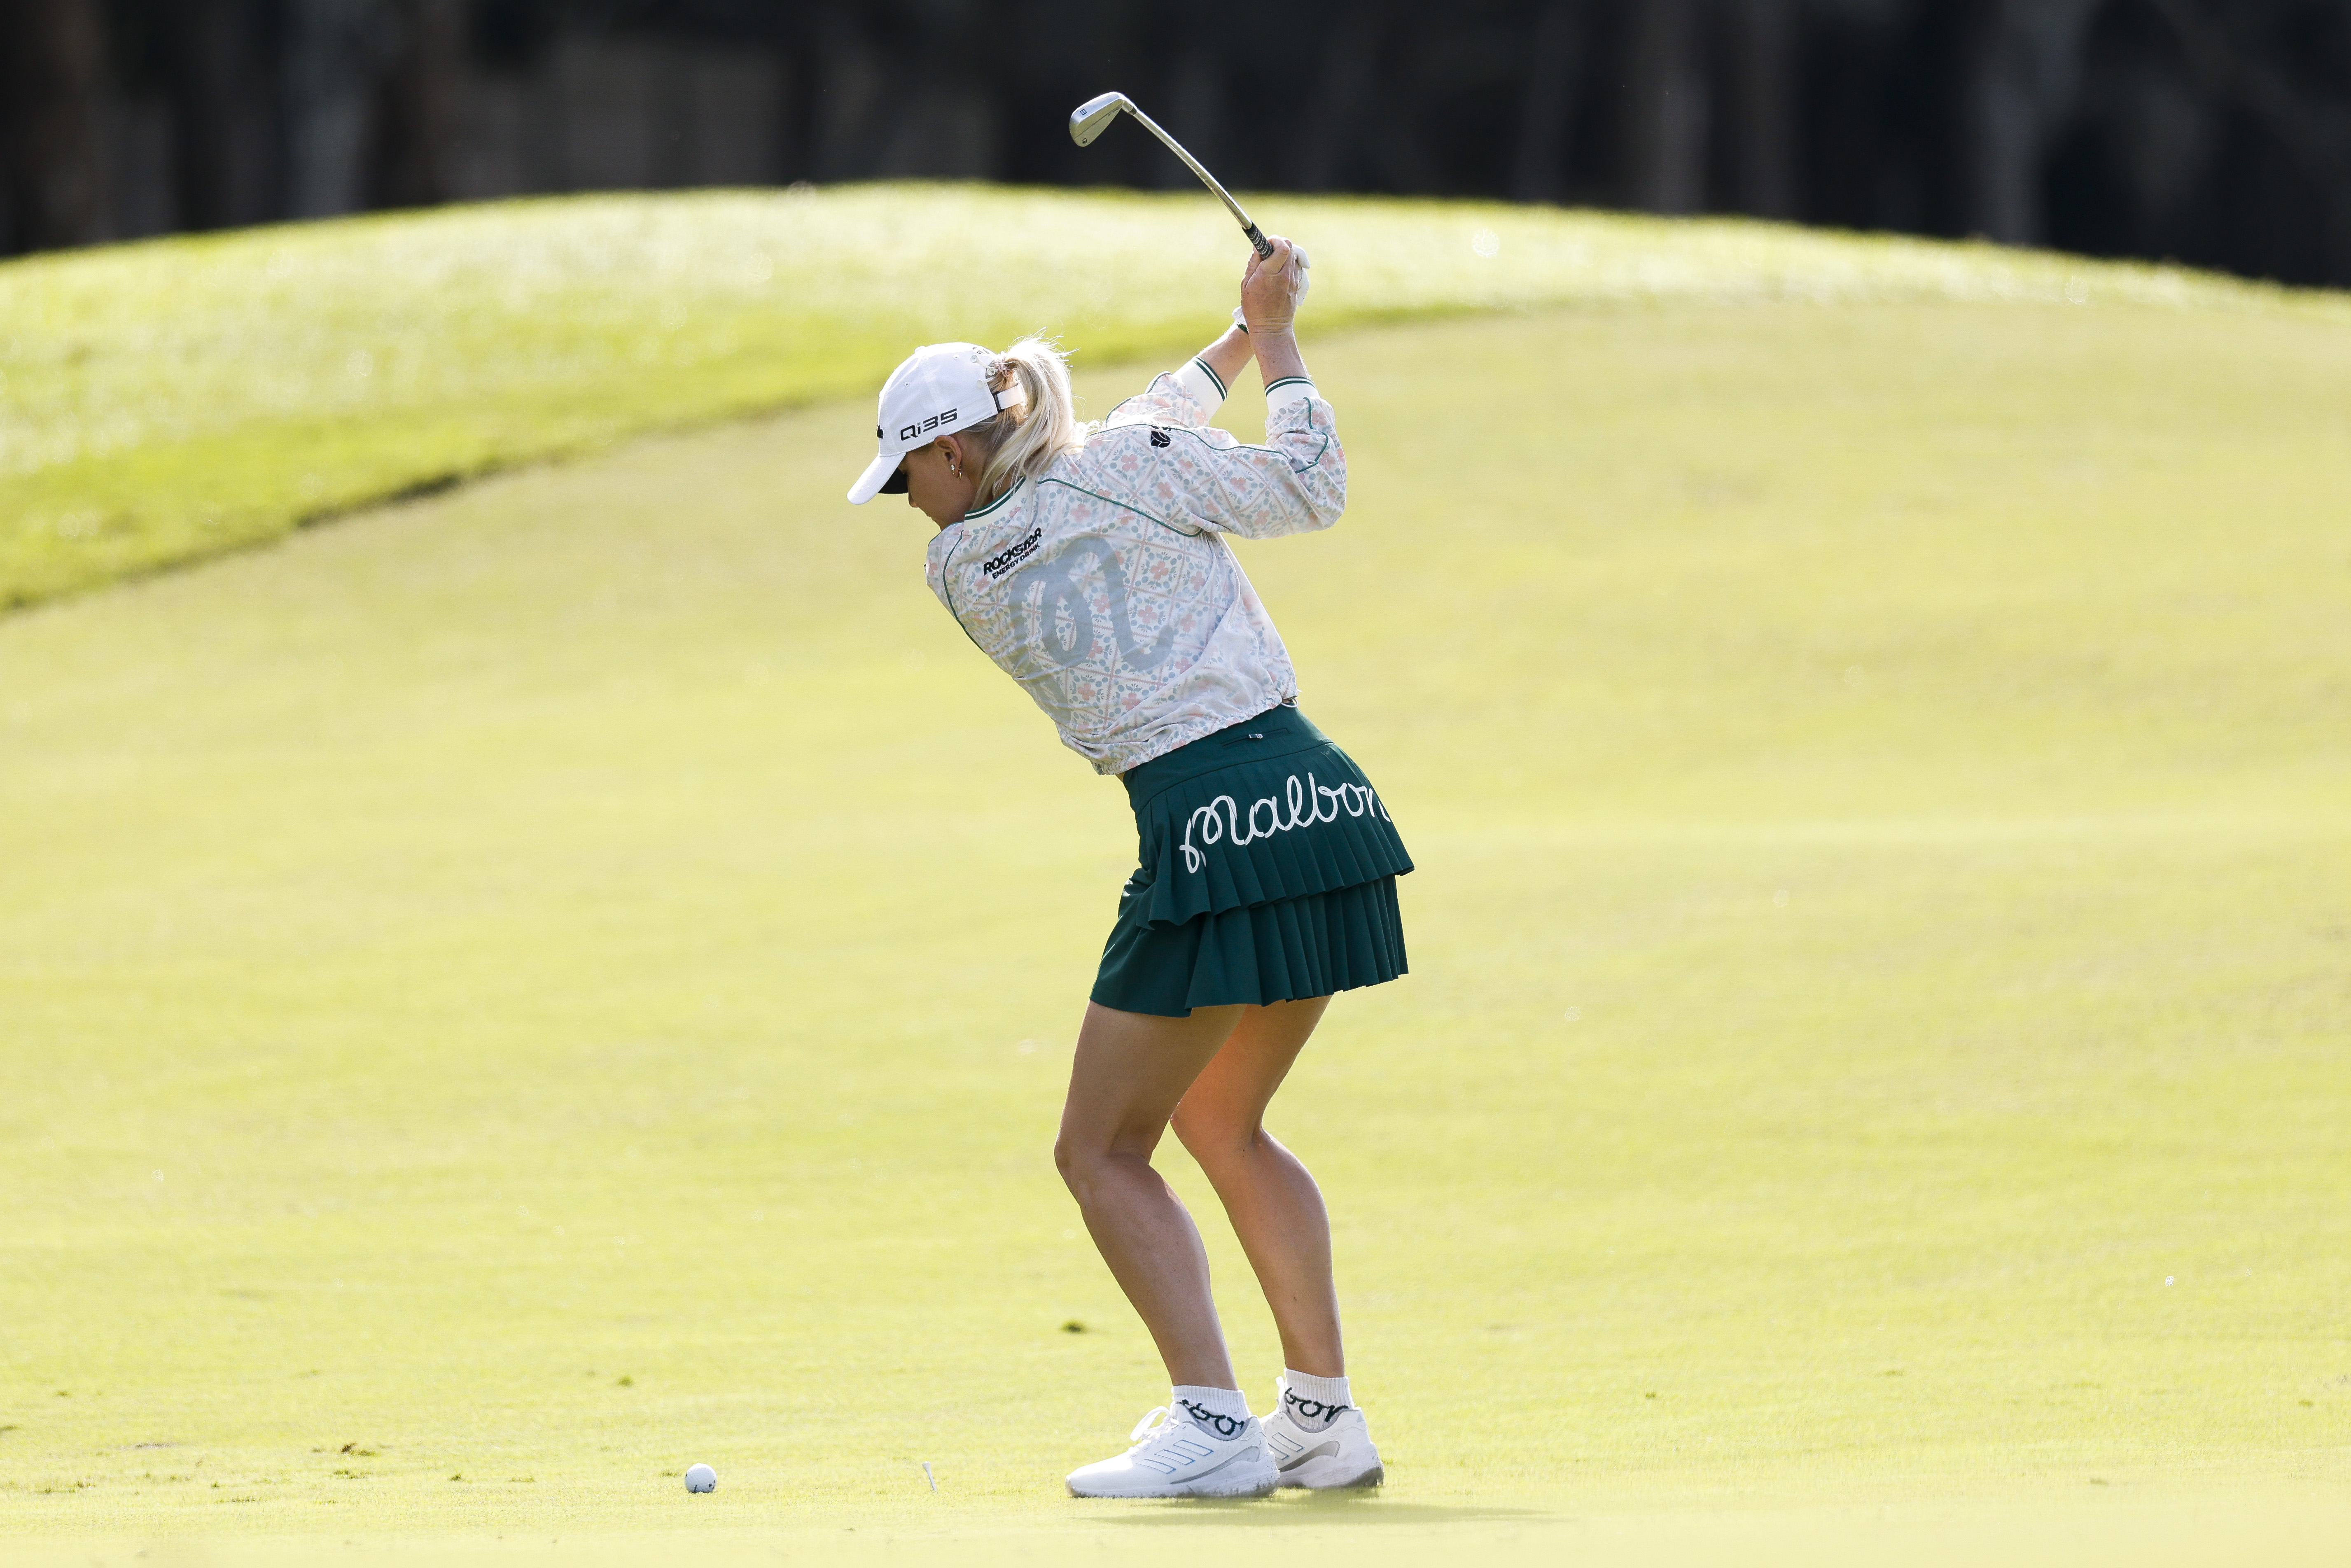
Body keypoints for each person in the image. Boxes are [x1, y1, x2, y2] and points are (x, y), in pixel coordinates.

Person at [846, 237, 1407, 1500]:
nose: (906, 504)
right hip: (1323, 804)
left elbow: (1128, 443)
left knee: (1099, 1152)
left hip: (1206, 827)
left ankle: (1212, 1426)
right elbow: (1284, 479)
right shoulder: (1111, 472)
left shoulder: (967, 559)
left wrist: (1242, 333)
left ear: (951, 452)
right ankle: (1322, 1419)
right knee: (1221, 1118)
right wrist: (1271, 338)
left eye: (904, 477)